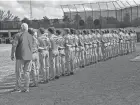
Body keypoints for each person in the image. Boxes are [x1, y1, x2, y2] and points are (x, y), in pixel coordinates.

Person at [11, 23, 33, 92]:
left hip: (20, 56)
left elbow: (14, 45)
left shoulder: (18, 35)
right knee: (27, 72)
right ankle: (26, 88)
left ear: (21, 28)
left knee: (18, 72)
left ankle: (18, 87)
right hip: (29, 56)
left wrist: (12, 54)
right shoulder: (30, 36)